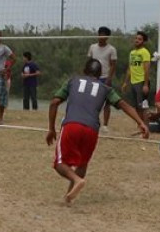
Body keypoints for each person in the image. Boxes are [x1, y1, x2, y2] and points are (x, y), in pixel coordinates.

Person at [45, 58, 149, 205]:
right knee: (82, 163)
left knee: (59, 163)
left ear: (84, 70)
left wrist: (51, 128)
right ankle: (69, 196)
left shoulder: (72, 81)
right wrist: (141, 122)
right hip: (92, 130)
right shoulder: (106, 89)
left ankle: (76, 180)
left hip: (72, 125)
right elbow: (124, 105)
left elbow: (54, 102)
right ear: (100, 74)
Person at [86, 26, 118, 133]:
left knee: (107, 102)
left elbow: (113, 65)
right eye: (100, 34)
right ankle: (91, 120)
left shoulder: (111, 49)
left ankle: (105, 125)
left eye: (104, 34)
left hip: (105, 78)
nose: (101, 36)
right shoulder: (92, 47)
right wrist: (87, 75)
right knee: (91, 100)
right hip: (93, 77)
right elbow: (89, 61)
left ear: (107, 37)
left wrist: (109, 78)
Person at [122, 31, 152, 116]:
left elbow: (146, 69)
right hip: (133, 82)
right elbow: (129, 69)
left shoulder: (144, 52)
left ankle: (145, 126)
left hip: (141, 82)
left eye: (139, 39)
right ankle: (140, 125)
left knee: (143, 106)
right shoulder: (132, 53)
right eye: (136, 38)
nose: (137, 40)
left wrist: (146, 84)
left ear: (143, 41)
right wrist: (125, 82)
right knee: (137, 107)